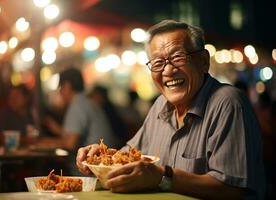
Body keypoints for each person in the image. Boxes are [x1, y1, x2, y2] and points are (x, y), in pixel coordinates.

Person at [76, 20, 265, 199]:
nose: (167, 70)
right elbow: (129, 157)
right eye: (158, 63)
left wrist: (163, 177)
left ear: (203, 61)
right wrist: (101, 158)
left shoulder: (228, 103)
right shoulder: (160, 105)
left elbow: (233, 191)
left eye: (177, 57)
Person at [42, 68, 117, 150]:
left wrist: (42, 143)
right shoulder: (85, 101)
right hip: (105, 155)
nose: (60, 92)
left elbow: (70, 144)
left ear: (67, 86)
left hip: (97, 159)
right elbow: (73, 134)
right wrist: (56, 129)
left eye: (60, 87)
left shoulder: (77, 105)